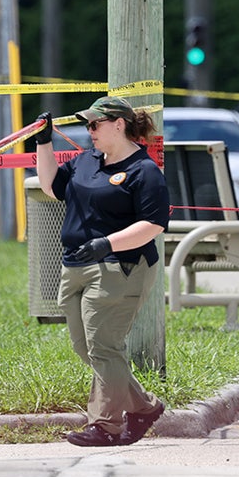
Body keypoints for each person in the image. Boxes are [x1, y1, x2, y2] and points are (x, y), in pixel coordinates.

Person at [33, 96, 171, 447]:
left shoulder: (144, 171)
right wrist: (44, 142)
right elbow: (51, 186)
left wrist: (107, 244)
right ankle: (144, 407)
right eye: (87, 125)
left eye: (95, 124)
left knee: (104, 347)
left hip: (119, 268)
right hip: (76, 264)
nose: (89, 130)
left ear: (119, 125)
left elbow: (153, 224)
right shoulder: (86, 161)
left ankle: (105, 426)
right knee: (86, 348)